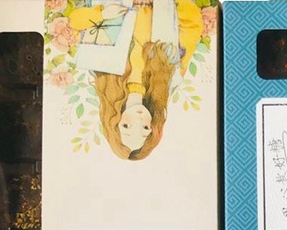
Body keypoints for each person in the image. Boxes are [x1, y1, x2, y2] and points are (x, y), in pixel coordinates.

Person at [68, 0, 204, 160]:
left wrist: (102, 14)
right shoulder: (171, 78)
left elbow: (74, 22)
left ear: (114, 122)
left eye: (126, 126)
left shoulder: (103, 72)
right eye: (145, 128)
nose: (139, 119)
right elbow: (192, 26)